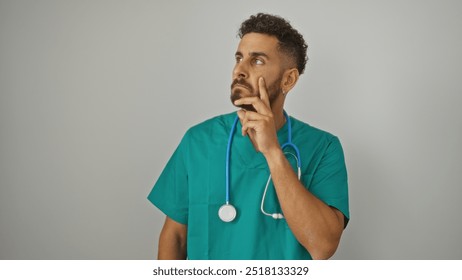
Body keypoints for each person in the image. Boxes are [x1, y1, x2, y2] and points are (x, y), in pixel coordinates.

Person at [147, 13, 349, 260]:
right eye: (239, 58)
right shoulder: (198, 141)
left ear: (288, 79)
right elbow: (175, 238)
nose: (239, 70)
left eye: (258, 61)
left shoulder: (323, 148)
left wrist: (273, 152)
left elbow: (323, 247)